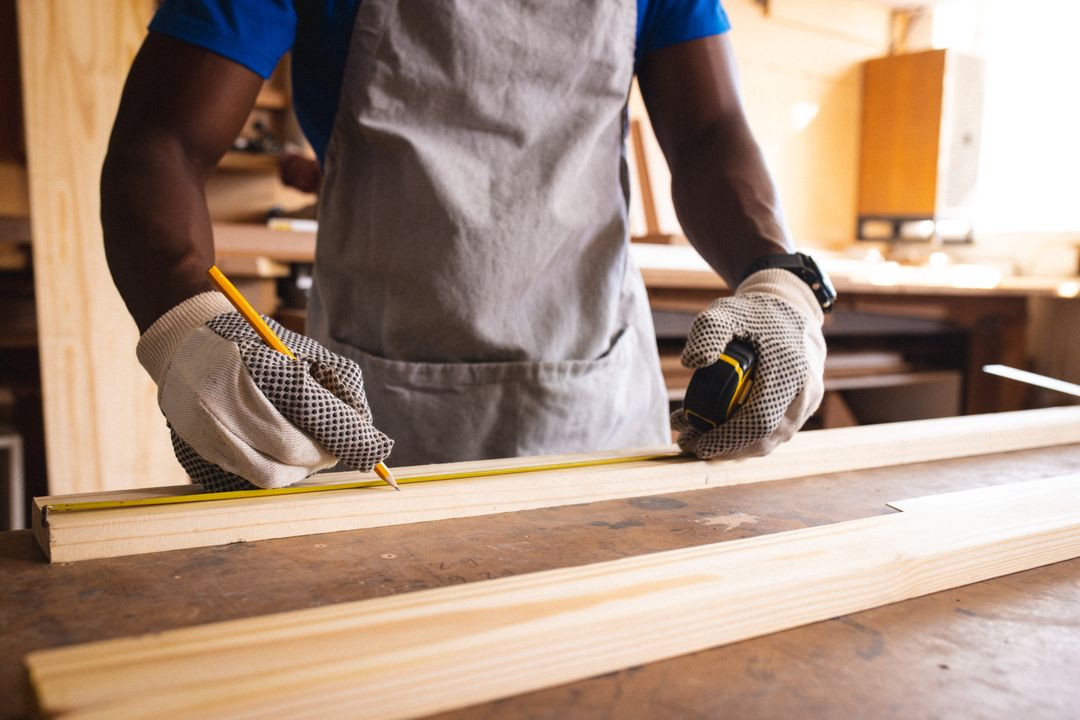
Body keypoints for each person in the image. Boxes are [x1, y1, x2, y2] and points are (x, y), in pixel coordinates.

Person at [101, 0, 830, 493]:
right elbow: (159, 141)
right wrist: (185, 328)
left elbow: (710, 133)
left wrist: (777, 279)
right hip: (376, 415)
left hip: (598, 400)